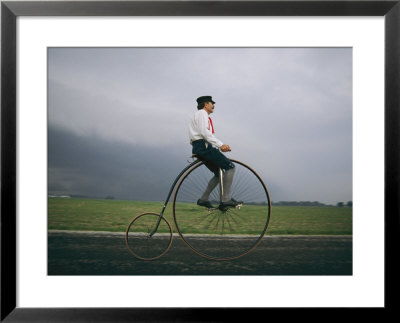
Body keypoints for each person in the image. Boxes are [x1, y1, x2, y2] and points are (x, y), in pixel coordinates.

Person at [188, 95, 241, 209]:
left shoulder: (199, 115)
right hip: (204, 146)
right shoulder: (202, 113)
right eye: (212, 103)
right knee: (230, 167)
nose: (213, 105)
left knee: (219, 173)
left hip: (199, 147)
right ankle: (226, 199)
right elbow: (204, 132)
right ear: (206, 104)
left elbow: (203, 133)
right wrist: (220, 145)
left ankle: (204, 199)